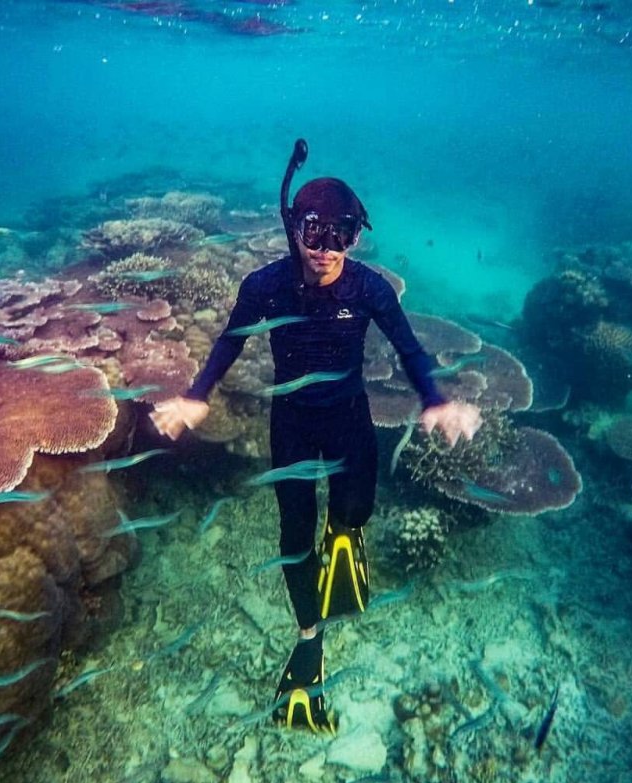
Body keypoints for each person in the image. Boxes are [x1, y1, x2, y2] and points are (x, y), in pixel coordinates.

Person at [151, 141, 482, 733]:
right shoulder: (265, 286)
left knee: (355, 512)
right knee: (293, 536)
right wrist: (197, 395)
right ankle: (309, 639)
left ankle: (344, 534)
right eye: (314, 232)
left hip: (349, 414)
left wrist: (434, 398)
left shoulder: (370, 289)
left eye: (343, 234)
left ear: (356, 237)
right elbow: (231, 340)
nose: (327, 249)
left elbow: (408, 347)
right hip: (293, 423)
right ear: (294, 228)